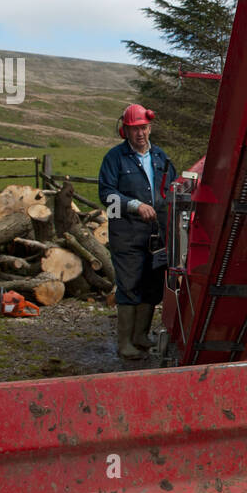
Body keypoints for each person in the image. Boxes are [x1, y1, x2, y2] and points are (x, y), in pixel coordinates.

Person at [98, 105, 176, 360]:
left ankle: (141, 336)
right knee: (130, 285)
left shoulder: (161, 157)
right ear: (125, 131)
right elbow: (106, 193)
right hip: (127, 234)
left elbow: (172, 190)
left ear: (149, 128)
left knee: (152, 284)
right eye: (134, 129)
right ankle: (125, 343)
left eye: (143, 128)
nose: (140, 133)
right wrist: (134, 205)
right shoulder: (115, 158)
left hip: (156, 234)